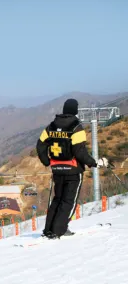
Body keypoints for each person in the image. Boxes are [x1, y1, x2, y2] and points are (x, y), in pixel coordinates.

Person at [36, 98, 98, 239]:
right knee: (68, 201)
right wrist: (93, 163)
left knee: (57, 200)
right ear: (75, 110)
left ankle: (48, 230)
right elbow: (79, 151)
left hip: (57, 169)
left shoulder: (51, 126)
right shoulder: (76, 127)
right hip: (73, 170)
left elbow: (40, 145)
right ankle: (59, 230)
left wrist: (47, 162)